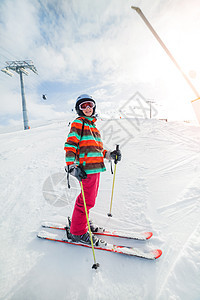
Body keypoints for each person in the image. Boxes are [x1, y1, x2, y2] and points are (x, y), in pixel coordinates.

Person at [64, 94, 121, 245]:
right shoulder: (79, 123)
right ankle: (78, 232)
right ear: (79, 109)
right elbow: (71, 144)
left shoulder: (94, 127)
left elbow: (98, 149)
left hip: (95, 168)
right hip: (86, 169)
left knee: (88, 199)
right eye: (84, 106)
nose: (88, 108)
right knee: (86, 200)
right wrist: (71, 165)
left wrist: (110, 155)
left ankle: (81, 222)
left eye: (90, 105)